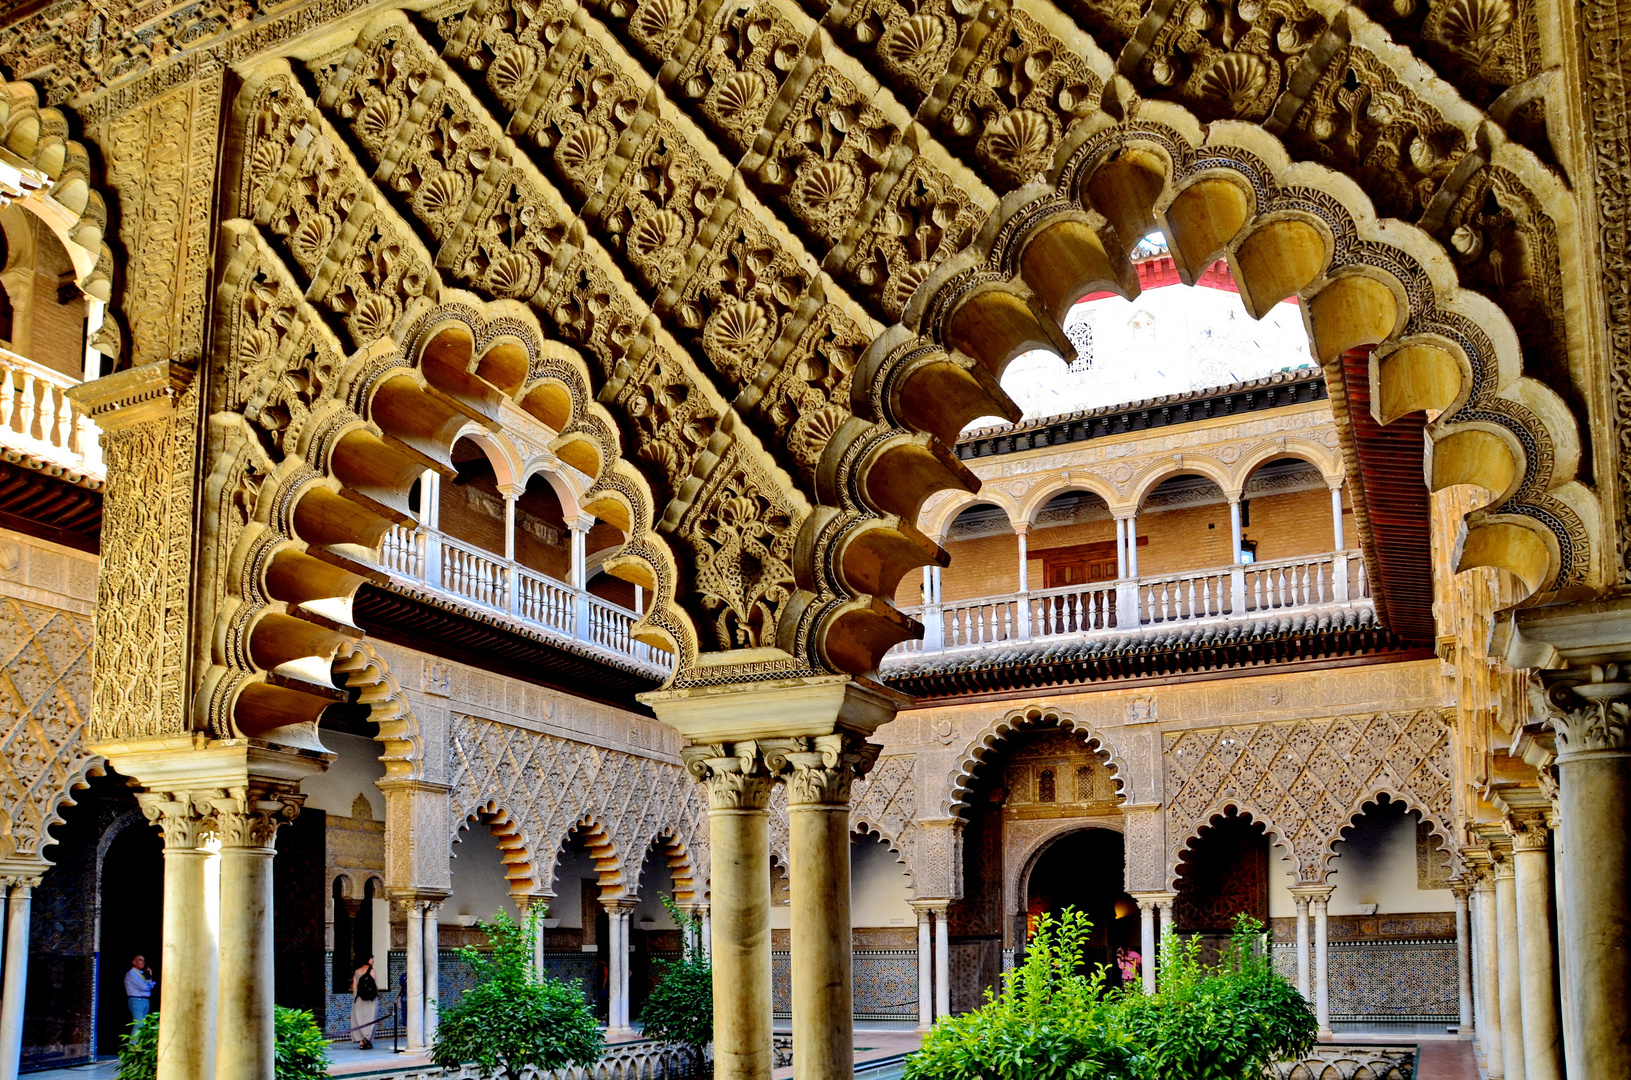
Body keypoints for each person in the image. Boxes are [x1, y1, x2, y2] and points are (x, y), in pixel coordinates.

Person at [352, 956, 379, 1050]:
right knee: (370, 1018)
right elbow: (374, 984)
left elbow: (354, 987)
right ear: (368, 960)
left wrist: (356, 997)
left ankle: (361, 1042)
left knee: (359, 1019)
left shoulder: (357, 971)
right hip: (370, 1000)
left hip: (359, 998)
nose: (373, 961)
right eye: (372, 959)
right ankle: (368, 1039)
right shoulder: (372, 970)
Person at [124, 955, 155, 1025]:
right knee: (139, 1024)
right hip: (137, 1000)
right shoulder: (131, 974)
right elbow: (145, 987)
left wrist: (150, 976)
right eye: (140, 960)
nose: (143, 962)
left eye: (143, 960)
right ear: (134, 962)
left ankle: (138, 1036)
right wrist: (151, 984)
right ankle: (134, 1036)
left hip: (144, 1000)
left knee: (143, 1025)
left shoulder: (141, 974)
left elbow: (148, 984)